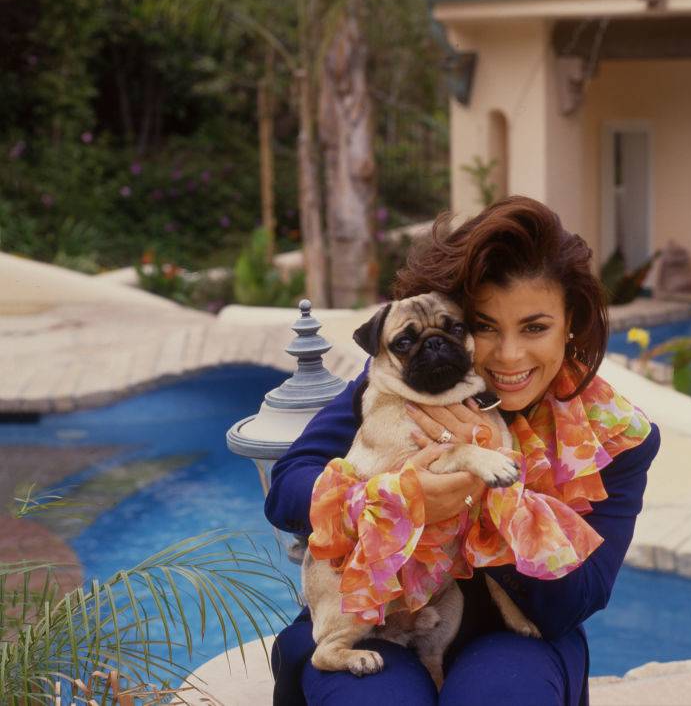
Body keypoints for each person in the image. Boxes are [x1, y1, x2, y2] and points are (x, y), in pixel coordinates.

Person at [265, 196, 662, 706]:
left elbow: (577, 599)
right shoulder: (403, 382)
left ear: (571, 324)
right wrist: (395, 504)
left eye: (535, 327)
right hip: (373, 611)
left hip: (514, 633)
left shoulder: (616, 439)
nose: (509, 355)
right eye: (484, 326)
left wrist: (483, 502)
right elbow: (288, 489)